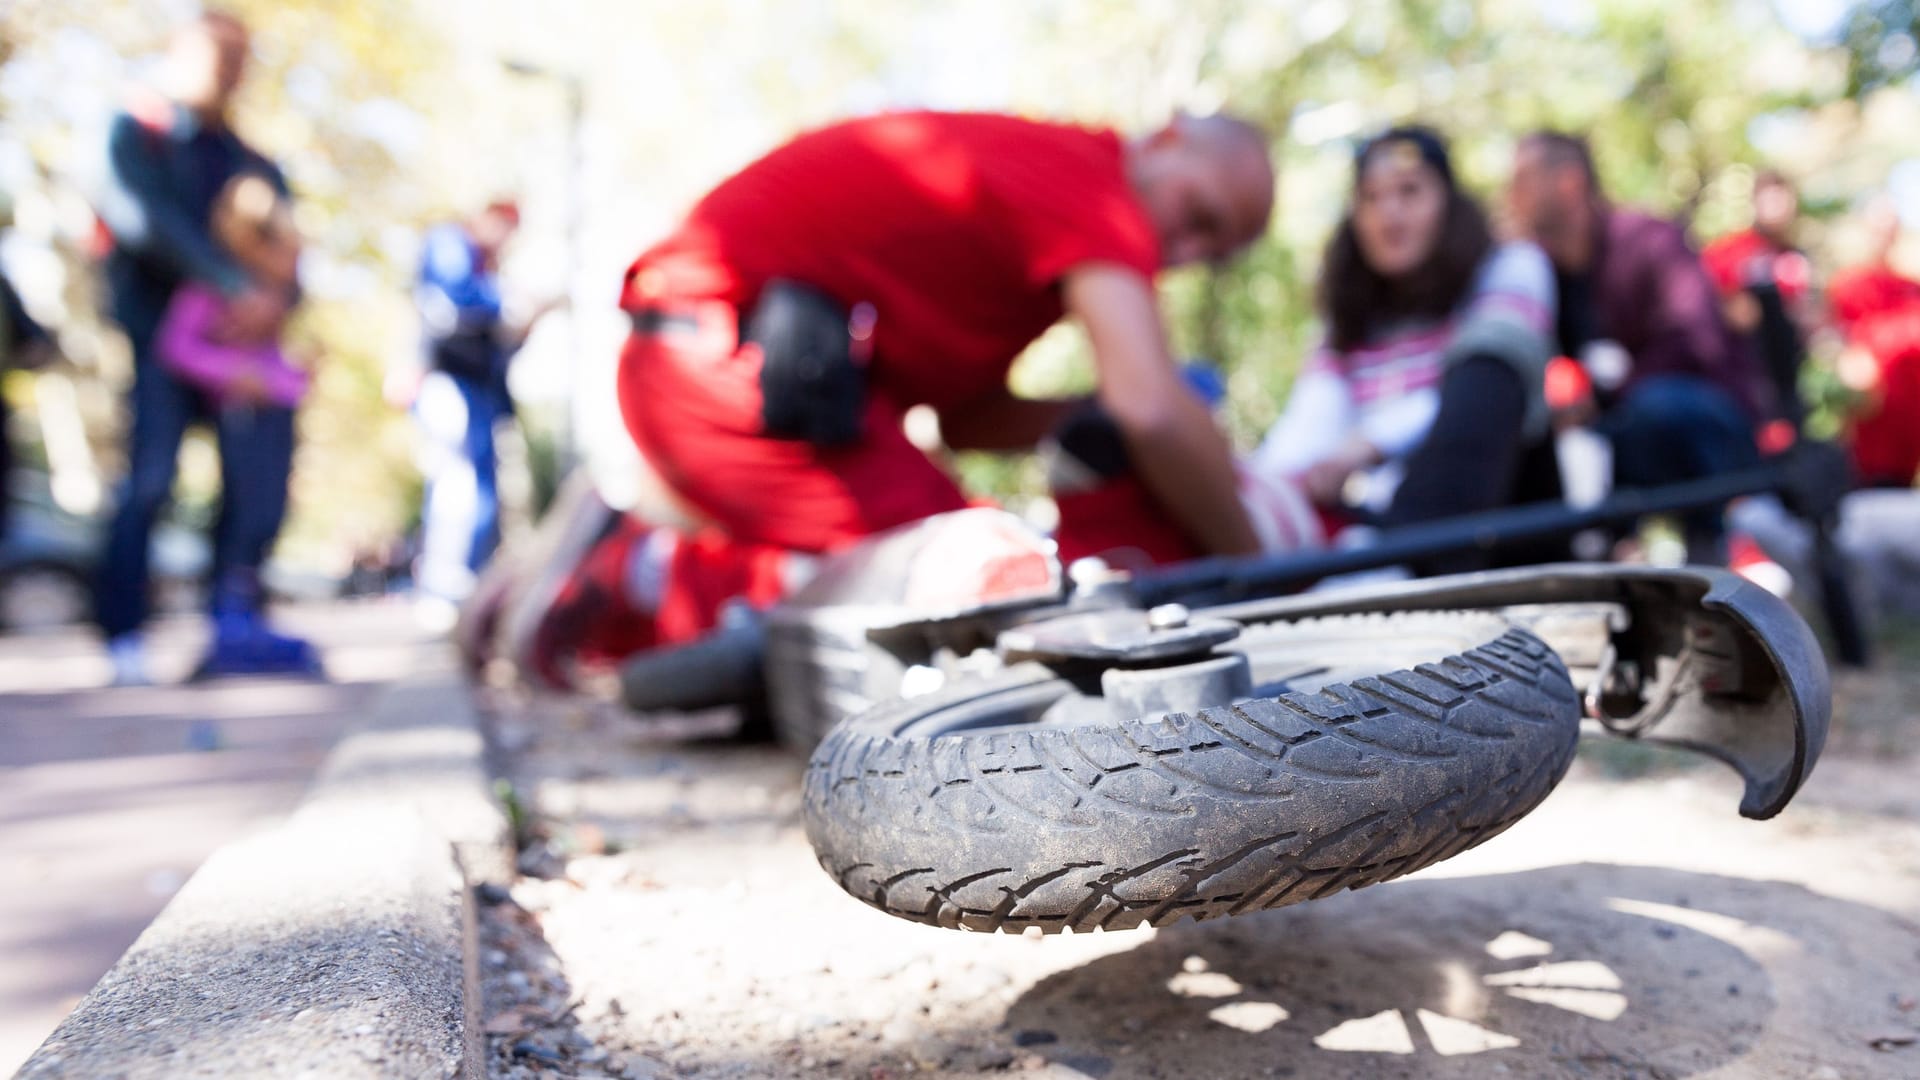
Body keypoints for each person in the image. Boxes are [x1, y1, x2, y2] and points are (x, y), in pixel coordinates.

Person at [518, 110, 1274, 688]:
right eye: (1201, 217)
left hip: (739, 367)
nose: (1185, 255)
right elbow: (1151, 408)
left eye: (1213, 253)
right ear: (1167, 138)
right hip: (712, 363)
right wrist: (1265, 569)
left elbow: (969, 422)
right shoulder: (1091, 188)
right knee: (979, 577)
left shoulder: (1047, 197)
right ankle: (637, 572)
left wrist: (1099, 415)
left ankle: (640, 570)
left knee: (953, 567)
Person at [1048, 126, 1558, 571]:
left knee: (1485, 383)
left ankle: (1388, 571)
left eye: (1409, 192)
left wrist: (1365, 446)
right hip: (1364, 520)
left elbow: (1484, 401)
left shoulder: (1512, 265)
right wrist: (1243, 488)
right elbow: (1311, 425)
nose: (1390, 214)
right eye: (1372, 198)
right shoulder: (1349, 311)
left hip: (1475, 500)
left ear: (1449, 203)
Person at [91, 10, 316, 684]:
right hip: (164, 343)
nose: (230, 70)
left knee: (251, 487)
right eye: (218, 55)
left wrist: (272, 306)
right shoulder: (138, 134)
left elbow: (290, 254)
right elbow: (139, 217)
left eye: (241, 57)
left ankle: (230, 623)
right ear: (180, 54)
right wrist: (225, 285)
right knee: (151, 478)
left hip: (243, 355)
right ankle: (124, 632)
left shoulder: (254, 161)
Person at [1507, 131, 1769, 560]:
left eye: (1522, 179)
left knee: (1654, 409)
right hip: (1616, 432)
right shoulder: (1544, 274)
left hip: (1708, 424)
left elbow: (1696, 340)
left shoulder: (1650, 240)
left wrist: (1603, 397)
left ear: (1569, 182)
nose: (1510, 195)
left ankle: (1719, 548)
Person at [399, 200, 534, 629]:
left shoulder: (488, 269)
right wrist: (506, 303)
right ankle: (442, 589)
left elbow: (500, 349)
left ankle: (468, 589)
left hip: (481, 392)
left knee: (482, 486)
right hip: (448, 380)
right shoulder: (451, 244)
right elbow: (450, 303)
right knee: (456, 481)